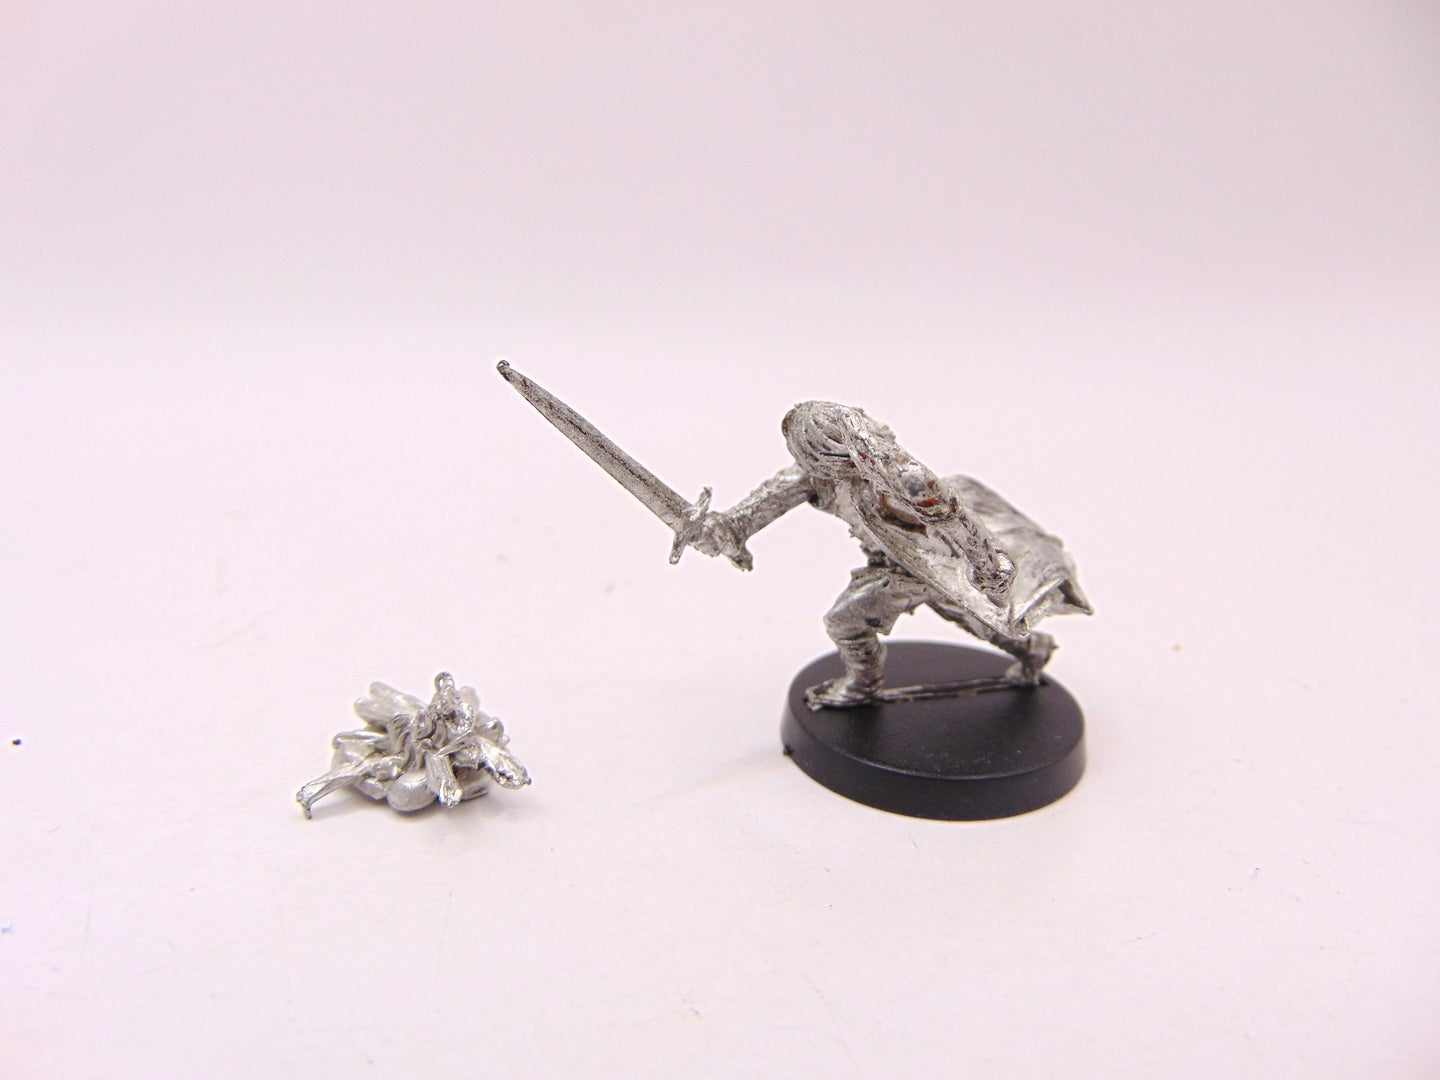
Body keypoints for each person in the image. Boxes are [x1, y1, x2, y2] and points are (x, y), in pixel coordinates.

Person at [690, 401, 1092, 708]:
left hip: (935, 562)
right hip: (899, 563)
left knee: (846, 621)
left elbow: (949, 513)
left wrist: (986, 563)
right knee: (961, 614)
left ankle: (863, 685)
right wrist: (714, 531)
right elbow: (745, 518)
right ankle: (1032, 649)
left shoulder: (896, 477)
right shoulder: (811, 476)